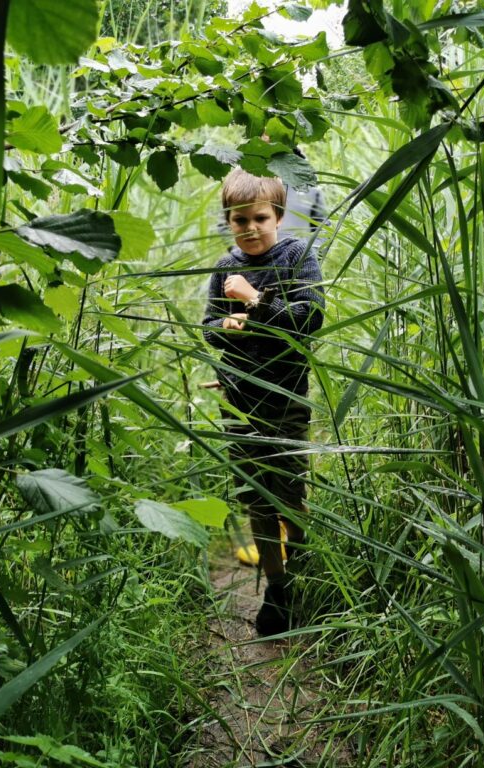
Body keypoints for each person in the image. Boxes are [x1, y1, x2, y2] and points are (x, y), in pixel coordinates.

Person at [201, 169, 325, 636]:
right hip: (238, 400)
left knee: (289, 490)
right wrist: (223, 328)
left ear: (277, 216)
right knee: (257, 497)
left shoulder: (297, 257)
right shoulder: (223, 266)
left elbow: (308, 319)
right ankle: (277, 589)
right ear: (228, 221)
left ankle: (304, 564)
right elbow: (208, 328)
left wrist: (253, 301)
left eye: (259, 218)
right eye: (239, 220)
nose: (250, 228)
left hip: (286, 394)